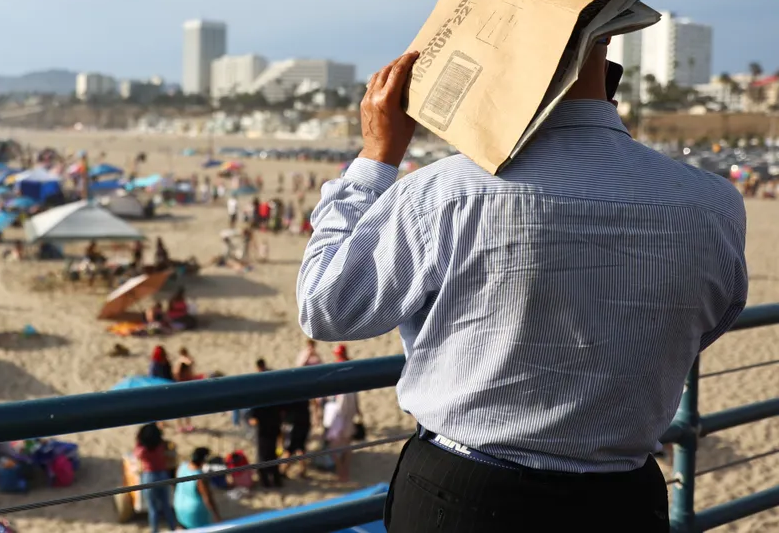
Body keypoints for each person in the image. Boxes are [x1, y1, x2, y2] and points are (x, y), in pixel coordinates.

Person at [297, 49, 747, 532]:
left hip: (466, 491)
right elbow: (706, 322)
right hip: (624, 497)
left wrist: (375, 158)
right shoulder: (713, 204)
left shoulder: (446, 191)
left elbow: (325, 307)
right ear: (605, 50)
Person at [322, 345, 360, 482]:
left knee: (333, 446)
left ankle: (340, 471)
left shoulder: (338, 367)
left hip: (340, 413)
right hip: (349, 412)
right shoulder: (351, 366)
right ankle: (345, 471)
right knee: (347, 445)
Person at [246, 359, 284, 488]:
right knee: (272, 454)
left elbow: (253, 414)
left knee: (263, 456)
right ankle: (276, 480)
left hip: (264, 428)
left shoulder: (259, 391)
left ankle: (267, 482)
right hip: (273, 425)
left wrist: (251, 419)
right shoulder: (274, 388)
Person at [134, 423, 176, 533]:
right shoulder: (161, 445)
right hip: (163, 474)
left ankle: (155, 530)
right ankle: (173, 528)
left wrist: (139, 441)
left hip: (149, 476)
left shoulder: (143, 450)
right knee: (166, 505)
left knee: (153, 508)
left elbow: (136, 454)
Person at [173, 447, 221, 528]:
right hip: (194, 512)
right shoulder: (200, 477)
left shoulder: (182, 466)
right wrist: (217, 515)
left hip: (178, 505)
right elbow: (207, 498)